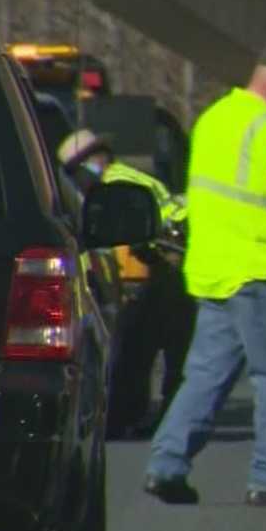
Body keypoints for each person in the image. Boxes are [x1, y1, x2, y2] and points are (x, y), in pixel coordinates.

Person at [144, 42, 266, 506]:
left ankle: (166, 465)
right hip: (263, 270)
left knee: (206, 375)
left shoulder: (214, 118)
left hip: (216, 269)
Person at [56, 129, 196, 436]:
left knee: (143, 347)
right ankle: (148, 417)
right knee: (158, 350)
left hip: (167, 268)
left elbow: (143, 232)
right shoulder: (132, 177)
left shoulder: (117, 184)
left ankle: (144, 419)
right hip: (173, 267)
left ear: (87, 164)